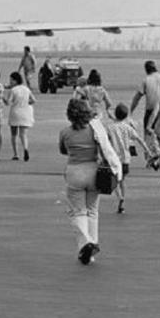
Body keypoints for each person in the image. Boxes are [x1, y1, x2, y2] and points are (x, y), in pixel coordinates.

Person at [58, 97, 121, 265]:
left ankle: (85, 243)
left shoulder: (65, 132)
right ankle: (92, 247)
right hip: (94, 172)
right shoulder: (95, 130)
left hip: (74, 172)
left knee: (78, 211)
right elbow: (105, 149)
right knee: (92, 211)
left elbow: (63, 150)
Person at [105, 103, 150, 215]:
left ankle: (119, 196)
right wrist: (147, 150)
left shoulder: (109, 128)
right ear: (125, 116)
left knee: (113, 180)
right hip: (125, 158)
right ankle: (122, 202)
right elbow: (139, 139)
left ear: (115, 115)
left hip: (113, 158)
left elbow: (104, 141)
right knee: (122, 180)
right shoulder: (127, 128)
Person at [130, 60, 160, 133]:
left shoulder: (146, 80)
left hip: (150, 112)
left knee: (148, 137)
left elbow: (137, 98)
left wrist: (131, 111)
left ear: (146, 69)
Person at [5, 71, 36, 161]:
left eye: (11, 80)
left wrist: (3, 98)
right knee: (23, 134)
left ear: (15, 81)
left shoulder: (13, 90)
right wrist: (26, 103)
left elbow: (8, 102)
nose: (10, 82)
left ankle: (16, 154)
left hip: (15, 112)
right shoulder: (26, 89)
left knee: (14, 134)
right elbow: (33, 100)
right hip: (26, 113)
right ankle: (25, 149)